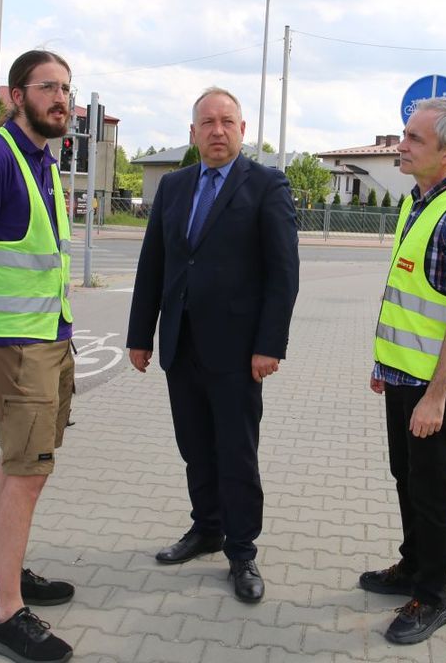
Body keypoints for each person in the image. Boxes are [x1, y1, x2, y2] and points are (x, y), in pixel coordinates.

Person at [127, 86, 299, 603]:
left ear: (243, 131)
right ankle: (206, 528)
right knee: (195, 447)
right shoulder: (176, 186)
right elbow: (153, 264)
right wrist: (140, 334)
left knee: (236, 454)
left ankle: (242, 551)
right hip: (182, 344)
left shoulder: (267, 185)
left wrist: (269, 345)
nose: (217, 131)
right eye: (208, 123)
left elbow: (283, 274)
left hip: (238, 352)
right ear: (194, 133)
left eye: (227, 122)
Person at [0, 49, 78, 663]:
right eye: (48, 87)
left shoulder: (45, 161)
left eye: (67, 89)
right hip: (18, 344)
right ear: (13, 94)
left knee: (22, 464)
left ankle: (4, 572)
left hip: (50, 335)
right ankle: (6, 614)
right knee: (27, 471)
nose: (61, 99)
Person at [362, 98, 446, 645]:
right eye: (403, 135)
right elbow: (406, 298)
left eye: (414, 139)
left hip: (433, 388)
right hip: (402, 377)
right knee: (405, 477)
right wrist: (383, 365)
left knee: (432, 491)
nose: (402, 146)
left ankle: (434, 597)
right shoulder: (417, 203)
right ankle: (413, 566)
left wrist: (437, 396)